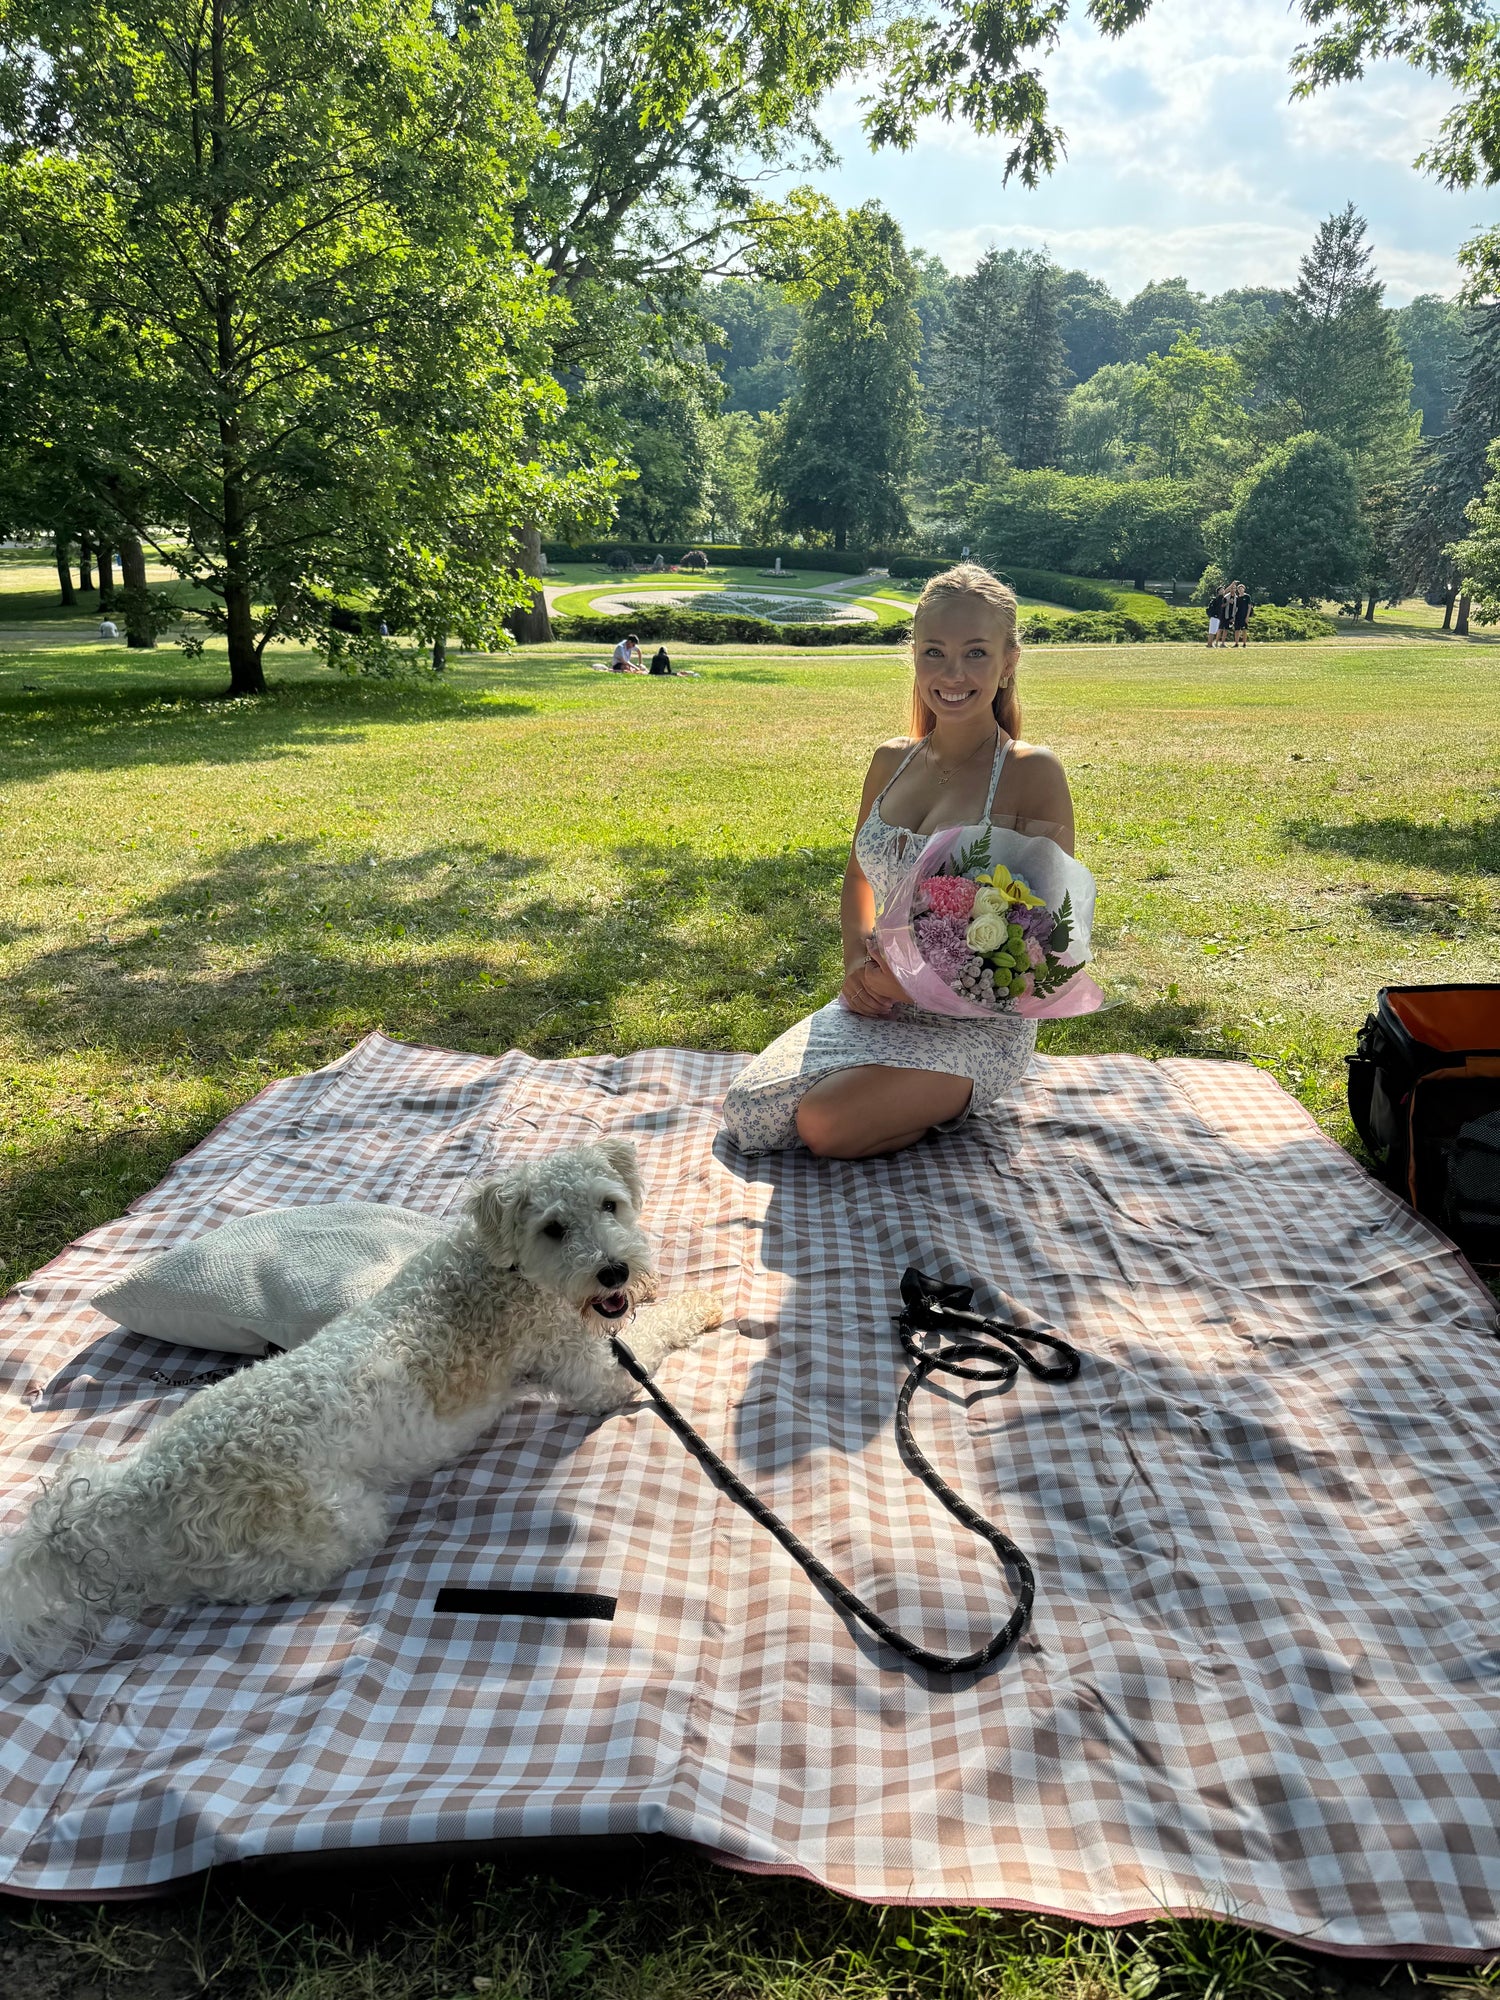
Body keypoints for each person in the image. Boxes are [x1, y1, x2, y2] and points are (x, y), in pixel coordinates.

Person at [721, 563, 1074, 1160]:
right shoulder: (891, 762)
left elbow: (1048, 939)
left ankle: (948, 1102)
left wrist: (916, 987)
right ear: (913, 655)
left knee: (824, 1124)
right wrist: (858, 963)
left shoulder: (1031, 774)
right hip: (879, 998)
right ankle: (899, 1098)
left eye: (975, 653)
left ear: (1009, 661)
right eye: (933, 651)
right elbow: (860, 876)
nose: (952, 673)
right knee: (750, 1114)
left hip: (977, 1024)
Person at [1231, 583, 1252, 647]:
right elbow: (1235, 608)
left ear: (1244, 589)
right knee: (1237, 630)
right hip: (1237, 616)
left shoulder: (1247, 597)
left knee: (1244, 630)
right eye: (1239, 589)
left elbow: (1249, 607)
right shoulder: (1237, 598)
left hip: (1244, 615)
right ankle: (1236, 643)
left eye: (1241, 588)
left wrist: (1247, 617)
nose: (1240, 590)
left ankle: (1244, 643)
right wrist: (1233, 616)